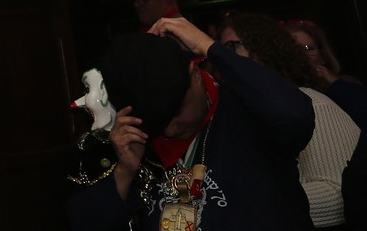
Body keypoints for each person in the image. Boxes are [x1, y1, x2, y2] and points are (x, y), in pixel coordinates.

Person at [67, 15, 314, 230]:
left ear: (194, 74)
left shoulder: (246, 110)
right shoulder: (132, 141)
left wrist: (210, 47)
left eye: (175, 110)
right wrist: (124, 171)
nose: (170, 128)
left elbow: (295, 116)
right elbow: (85, 224)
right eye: (157, 120)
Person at [220, 13, 360, 228]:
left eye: (233, 47)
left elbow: (338, 195)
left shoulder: (315, 105)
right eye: (221, 51)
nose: (224, 58)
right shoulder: (232, 113)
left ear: (266, 49)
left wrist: (246, 206)